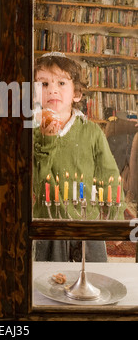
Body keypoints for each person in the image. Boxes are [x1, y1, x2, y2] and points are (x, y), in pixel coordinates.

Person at [33, 52, 123, 262]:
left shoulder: (92, 132)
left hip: (87, 221)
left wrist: (115, 218)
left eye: (62, 83)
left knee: (92, 277)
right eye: (44, 84)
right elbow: (37, 183)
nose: (52, 89)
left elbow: (108, 173)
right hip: (48, 224)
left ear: (77, 93)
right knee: (50, 280)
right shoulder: (32, 133)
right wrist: (46, 141)